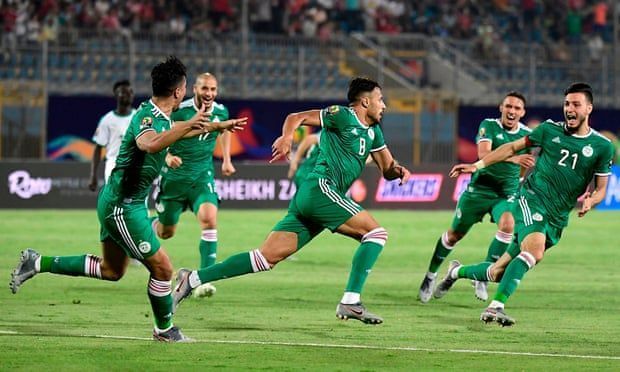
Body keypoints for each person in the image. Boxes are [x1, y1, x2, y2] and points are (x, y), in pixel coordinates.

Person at [9, 56, 247, 342]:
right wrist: (193, 126)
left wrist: (218, 127)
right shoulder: (149, 118)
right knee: (163, 269)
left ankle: (36, 262)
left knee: (111, 271)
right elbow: (148, 142)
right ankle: (165, 330)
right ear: (179, 92)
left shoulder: (162, 114)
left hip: (115, 201)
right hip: (124, 207)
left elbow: (179, 131)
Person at [172, 77, 412, 324]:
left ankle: (191, 279)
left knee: (264, 258)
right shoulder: (341, 115)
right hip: (320, 188)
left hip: (316, 199)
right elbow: (295, 117)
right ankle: (351, 301)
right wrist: (287, 138)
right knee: (376, 234)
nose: (384, 105)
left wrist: (399, 170)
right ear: (365, 101)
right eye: (380, 99)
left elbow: (387, 167)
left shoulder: (374, 133)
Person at [438, 82, 614, 326]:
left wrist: (590, 201)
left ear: (589, 109)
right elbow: (512, 147)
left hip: (557, 216)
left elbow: (601, 189)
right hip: (531, 200)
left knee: (498, 273)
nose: (569, 109)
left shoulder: (603, 147)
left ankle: (455, 272)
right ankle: (496, 307)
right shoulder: (548, 130)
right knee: (533, 252)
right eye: (566, 104)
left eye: (576, 104)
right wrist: (477, 165)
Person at [418, 92, 535, 303]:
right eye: (508, 106)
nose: (512, 111)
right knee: (454, 235)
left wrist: (517, 183)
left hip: (506, 193)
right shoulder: (488, 125)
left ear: (522, 112)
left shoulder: (527, 135)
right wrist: (515, 158)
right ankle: (431, 274)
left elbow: (524, 167)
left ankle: (484, 274)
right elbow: (483, 155)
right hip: (479, 190)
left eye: (517, 108)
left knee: (508, 225)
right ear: (501, 107)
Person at [153, 73, 234, 298]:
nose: (209, 94)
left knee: (209, 218)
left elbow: (223, 130)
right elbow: (159, 135)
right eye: (205, 89)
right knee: (166, 232)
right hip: (174, 179)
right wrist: (167, 155)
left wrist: (226, 158)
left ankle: (203, 279)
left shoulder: (220, 111)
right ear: (195, 89)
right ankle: (143, 226)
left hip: (202, 177)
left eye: (213, 89)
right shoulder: (179, 110)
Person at [88, 80, 136, 191]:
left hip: (134, 163)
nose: (129, 95)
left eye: (130, 92)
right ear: (116, 95)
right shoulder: (107, 120)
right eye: (124, 92)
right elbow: (98, 147)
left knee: (136, 202)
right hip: (114, 164)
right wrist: (93, 175)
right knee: (115, 202)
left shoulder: (138, 116)